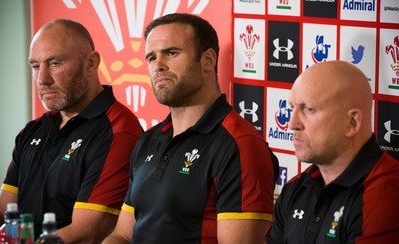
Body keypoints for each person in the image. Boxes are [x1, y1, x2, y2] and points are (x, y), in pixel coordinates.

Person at [103, 13, 278, 243]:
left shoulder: (241, 144)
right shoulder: (148, 140)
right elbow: (122, 235)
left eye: (171, 53)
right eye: (151, 57)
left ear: (208, 60)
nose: (158, 66)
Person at [0, 18, 143, 243]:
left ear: (91, 63)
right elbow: (6, 210)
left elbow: (87, 233)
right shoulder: (32, 131)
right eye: (36, 66)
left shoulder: (119, 130)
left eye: (55, 63)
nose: (42, 79)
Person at [266, 60, 399, 243]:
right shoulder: (295, 189)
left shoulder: (386, 195)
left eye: (308, 109)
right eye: (292, 108)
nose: (292, 124)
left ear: (352, 122)